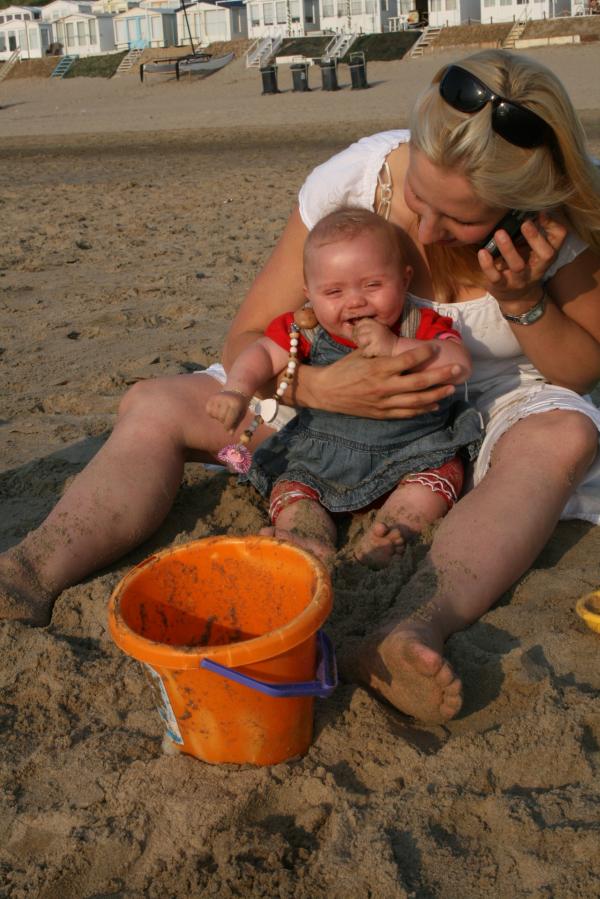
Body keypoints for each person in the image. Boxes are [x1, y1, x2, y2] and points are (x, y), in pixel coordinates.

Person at [2, 49, 600, 725]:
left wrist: (521, 298)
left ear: (522, 204)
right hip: (317, 383)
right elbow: (247, 336)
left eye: (459, 221)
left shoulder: (560, 222)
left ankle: (408, 631)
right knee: (153, 402)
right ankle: (29, 570)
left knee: (566, 433)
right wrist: (317, 388)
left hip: (484, 403)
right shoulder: (351, 180)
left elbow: (579, 368)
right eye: (419, 200)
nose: (424, 234)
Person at [206, 207, 481, 568]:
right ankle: (309, 539)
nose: (355, 301)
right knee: (294, 493)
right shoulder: (302, 331)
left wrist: (396, 347)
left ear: (404, 279)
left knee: (432, 485)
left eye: (372, 285)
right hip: (322, 459)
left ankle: (389, 533)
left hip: (412, 452)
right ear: (309, 294)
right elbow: (260, 353)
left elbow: (458, 363)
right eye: (334, 291)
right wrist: (237, 390)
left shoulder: (417, 325)